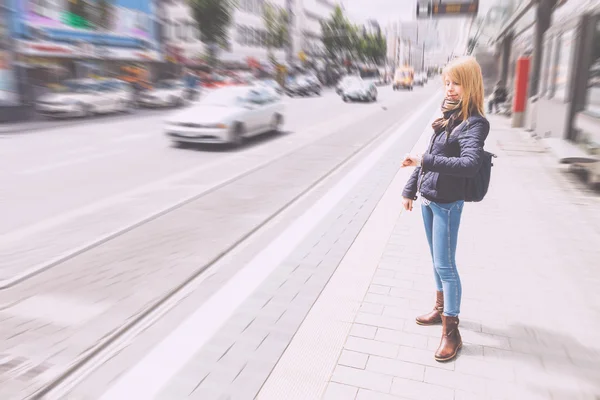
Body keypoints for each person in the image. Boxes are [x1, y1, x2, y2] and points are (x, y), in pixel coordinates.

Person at [401, 56, 490, 362]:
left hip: (447, 204)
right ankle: (440, 310)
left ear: (471, 84)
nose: (450, 89)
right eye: (447, 83)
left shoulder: (475, 123)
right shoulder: (447, 116)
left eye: (456, 83)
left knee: (446, 266)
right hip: (428, 198)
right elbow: (429, 153)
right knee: (436, 262)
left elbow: (468, 164)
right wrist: (410, 189)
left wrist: (422, 162)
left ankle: (452, 333)